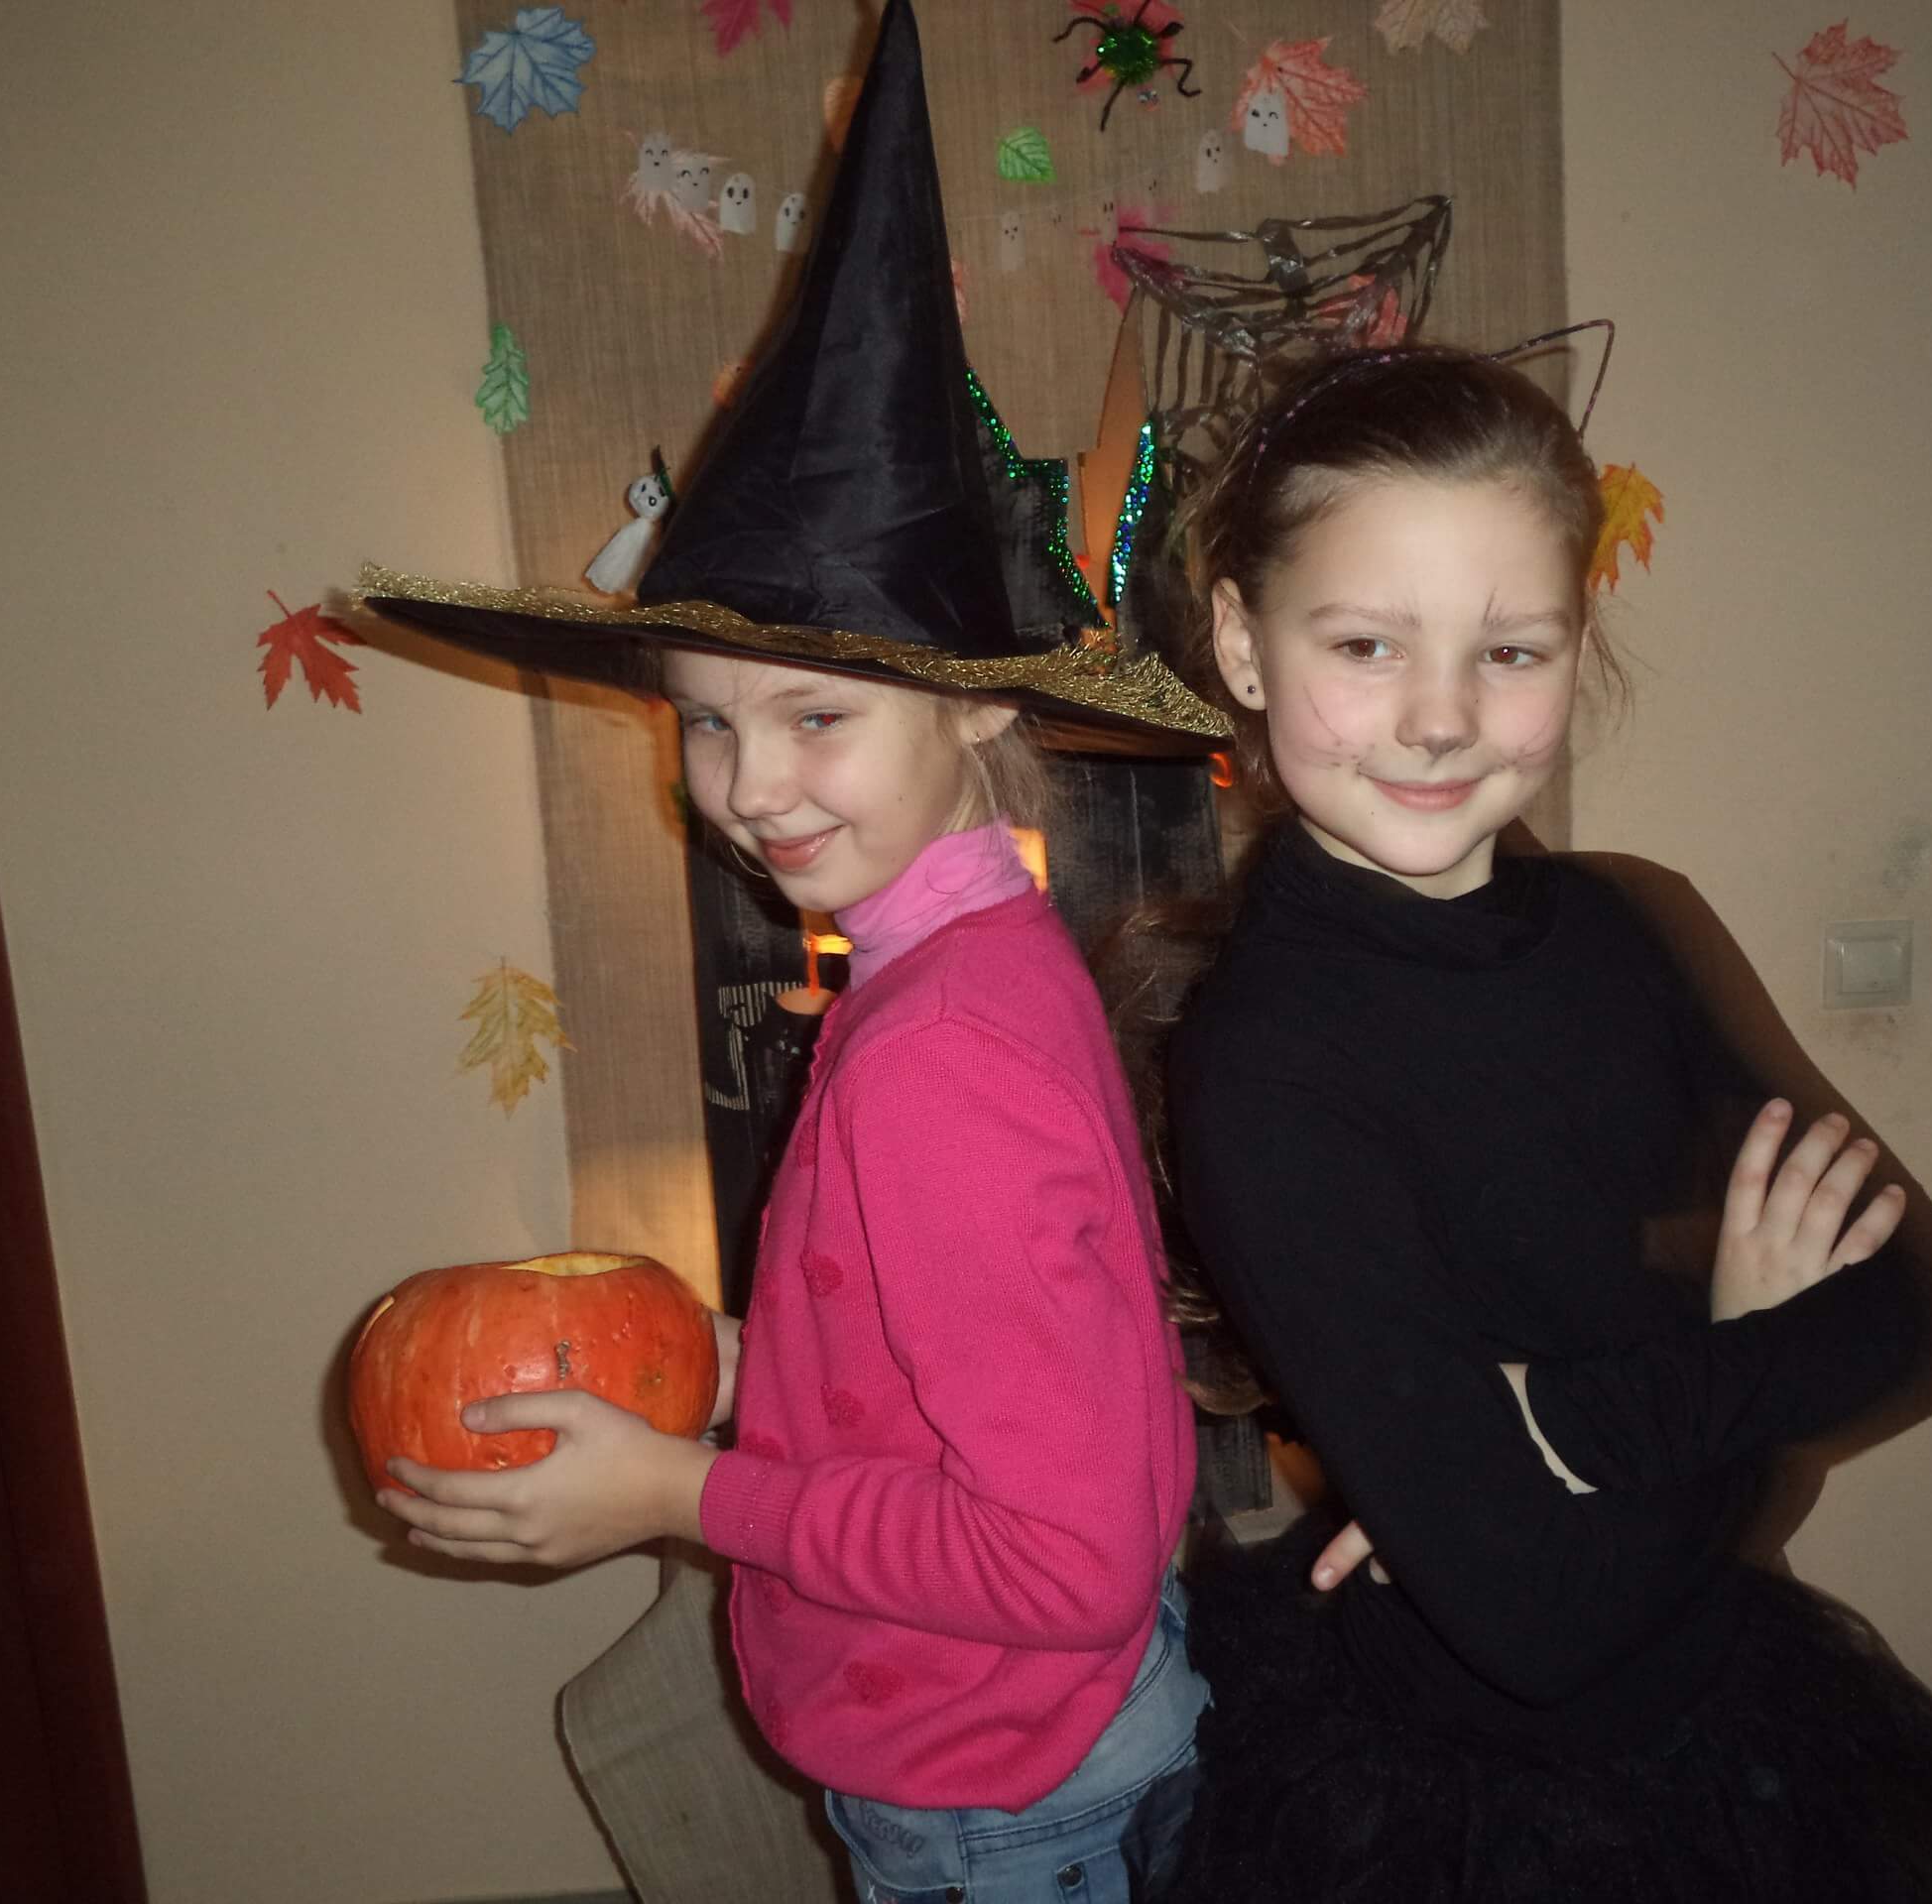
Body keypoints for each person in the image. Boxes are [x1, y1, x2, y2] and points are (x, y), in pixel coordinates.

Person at [354, 5, 1231, 1897]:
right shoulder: (966, 958)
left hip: (1003, 1802)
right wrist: (723, 1366)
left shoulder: (939, 1061)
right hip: (1046, 1743)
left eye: (815, 715)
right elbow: (959, 1370)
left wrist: (681, 1492)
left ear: (976, 710)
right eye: (705, 721)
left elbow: (1064, 1557)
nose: (749, 785)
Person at [1129, 342, 1932, 1901]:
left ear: (1579, 641)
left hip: (1736, 1701)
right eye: (1365, 644)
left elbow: (1930, 1318)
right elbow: (1542, 1624)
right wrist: (1752, 1358)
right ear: (1241, 641)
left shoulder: (1637, 926)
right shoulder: (1268, 1068)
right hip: (1477, 1796)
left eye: (1511, 651)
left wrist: (1557, 1428)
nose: (1441, 719)